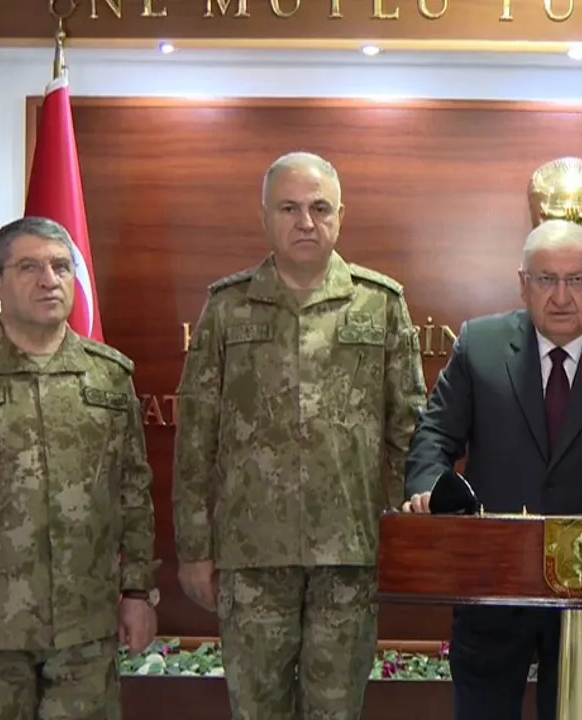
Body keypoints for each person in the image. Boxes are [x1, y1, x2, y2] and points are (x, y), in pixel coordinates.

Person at [172, 151, 426, 720]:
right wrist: (194, 551)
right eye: (289, 208)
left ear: (341, 216)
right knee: (256, 710)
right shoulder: (228, 308)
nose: (305, 222)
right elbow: (195, 441)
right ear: (265, 216)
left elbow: (409, 430)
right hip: (251, 556)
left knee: (337, 711)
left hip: (350, 555)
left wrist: (400, 538)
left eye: (319, 208)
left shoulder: (381, 303)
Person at [402, 218, 582, 720]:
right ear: (522, 283)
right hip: (490, 578)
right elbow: (434, 435)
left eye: (576, 280)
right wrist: (428, 489)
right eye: (546, 279)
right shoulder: (480, 344)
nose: (561, 296)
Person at [0, 216, 159, 718]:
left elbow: (133, 491)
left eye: (61, 267)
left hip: (84, 627)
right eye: (29, 267)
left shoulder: (108, 376)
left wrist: (137, 592)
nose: (49, 280)